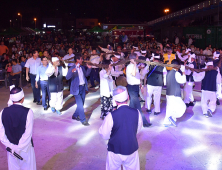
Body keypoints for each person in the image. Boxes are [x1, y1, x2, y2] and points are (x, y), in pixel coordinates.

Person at [99, 86, 142, 170]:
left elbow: (104, 134)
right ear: (128, 97)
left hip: (114, 151)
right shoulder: (137, 113)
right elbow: (137, 129)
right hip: (131, 149)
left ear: (115, 101)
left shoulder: (111, 116)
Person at [0, 86, 36, 170]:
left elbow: (1, 135)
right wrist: (19, 148)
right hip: (26, 149)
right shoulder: (28, 112)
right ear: (23, 98)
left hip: (11, 151)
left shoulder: (2, 112)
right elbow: (28, 134)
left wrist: (12, 147)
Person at [126, 53, 151, 127]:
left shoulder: (135, 66)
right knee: (138, 106)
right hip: (132, 88)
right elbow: (133, 74)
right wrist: (134, 64)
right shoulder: (130, 67)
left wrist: (141, 86)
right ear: (133, 59)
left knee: (132, 106)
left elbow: (137, 77)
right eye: (137, 58)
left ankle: (127, 119)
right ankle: (144, 122)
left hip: (136, 87)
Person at [66, 54, 92, 126]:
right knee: (80, 105)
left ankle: (75, 115)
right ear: (77, 60)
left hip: (83, 87)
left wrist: (89, 68)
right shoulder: (72, 68)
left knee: (82, 103)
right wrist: (72, 72)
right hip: (76, 89)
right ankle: (83, 120)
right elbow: (67, 77)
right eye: (81, 59)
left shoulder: (82, 67)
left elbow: (86, 75)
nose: (82, 60)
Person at [163, 59, 186, 127]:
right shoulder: (177, 73)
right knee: (183, 107)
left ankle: (167, 122)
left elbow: (165, 82)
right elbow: (183, 81)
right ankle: (172, 117)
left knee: (170, 108)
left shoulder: (169, 73)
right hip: (174, 94)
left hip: (168, 93)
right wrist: (183, 71)